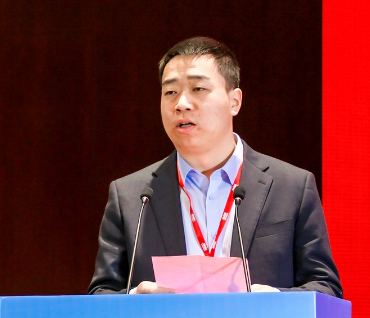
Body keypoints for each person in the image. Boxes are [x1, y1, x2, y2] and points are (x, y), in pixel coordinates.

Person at [88, 37, 342, 298]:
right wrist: (134, 299)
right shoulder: (132, 196)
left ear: (234, 101)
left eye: (198, 88)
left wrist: (275, 300)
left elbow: (326, 289)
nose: (182, 104)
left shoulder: (291, 187)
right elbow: (100, 294)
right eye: (170, 92)